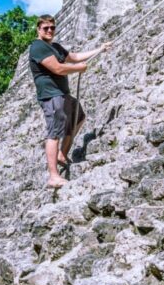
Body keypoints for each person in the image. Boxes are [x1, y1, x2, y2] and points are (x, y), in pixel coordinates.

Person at [28, 14, 111, 188]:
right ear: (38, 29)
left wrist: (99, 49)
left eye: (52, 27)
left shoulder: (55, 47)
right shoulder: (38, 47)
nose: (50, 30)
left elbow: (73, 57)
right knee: (54, 131)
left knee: (78, 118)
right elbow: (57, 68)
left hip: (62, 94)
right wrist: (78, 69)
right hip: (51, 95)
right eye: (46, 28)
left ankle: (62, 155)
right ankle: (53, 176)